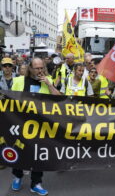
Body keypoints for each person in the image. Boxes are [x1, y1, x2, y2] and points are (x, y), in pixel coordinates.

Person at [11, 58, 60, 195]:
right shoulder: (19, 81)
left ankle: (36, 183)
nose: (39, 71)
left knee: (38, 154)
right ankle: (17, 176)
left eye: (41, 68)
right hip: (20, 123)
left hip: (41, 125)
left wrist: (49, 85)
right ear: (30, 69)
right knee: (20, 151)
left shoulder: (47, 80)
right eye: (36, 68)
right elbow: (9, 100)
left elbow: (61, 99)